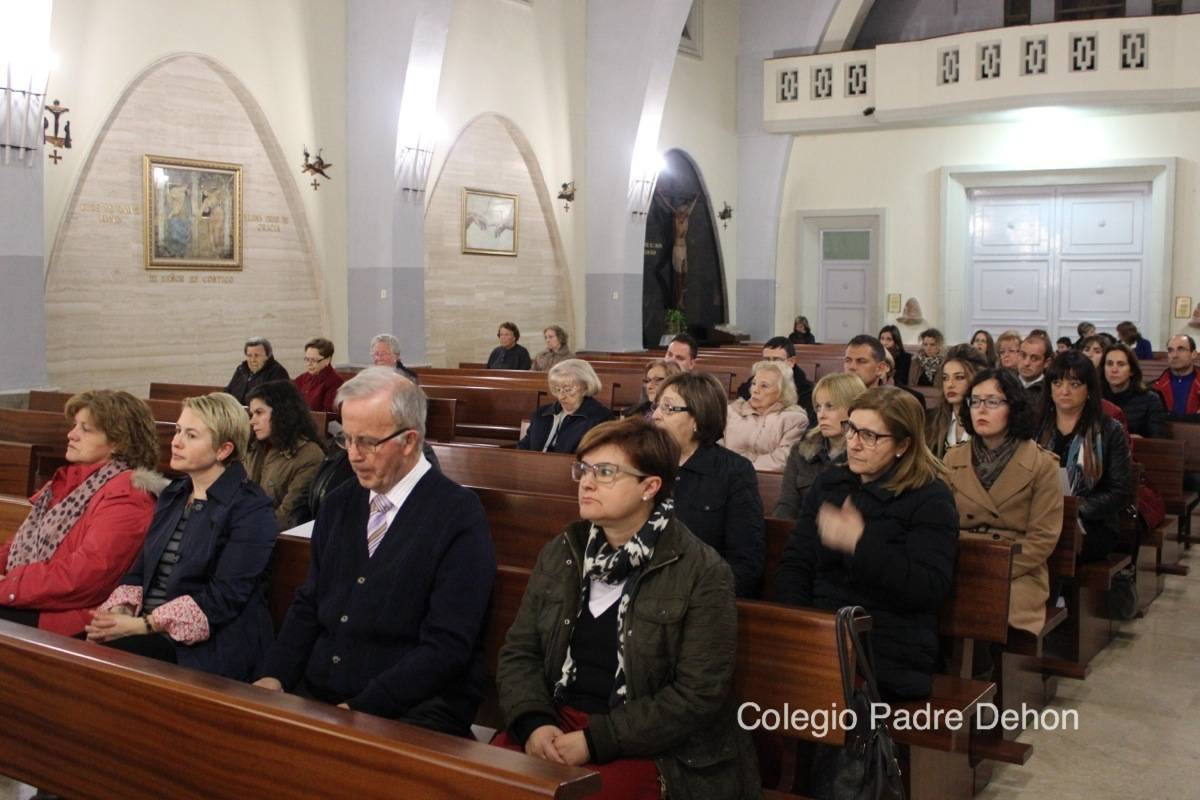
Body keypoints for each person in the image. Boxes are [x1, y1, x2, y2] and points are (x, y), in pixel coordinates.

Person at [495, 419, 759, 799]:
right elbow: (520, 651)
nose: (586, 482)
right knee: (475, 782)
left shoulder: (700, 570)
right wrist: (534, 722)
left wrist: (595, 741)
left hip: (652, 746)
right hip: (555, 722)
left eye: (605, 473)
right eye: (583, 469)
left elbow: (698, 694)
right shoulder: (564, 551)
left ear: (649, 487)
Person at [254, 369, 495, 734]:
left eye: (367, 442)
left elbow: (446, 646)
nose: (353, 455)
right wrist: (274, 675)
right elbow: (309, 604)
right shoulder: (339, 504)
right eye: (346, 439)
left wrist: (360, 708)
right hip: (326, 692)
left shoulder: (458, 514)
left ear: (410, 441)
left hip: (413, 706)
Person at [775, 387, 958, 699]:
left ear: (903, 445)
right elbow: (796, 561)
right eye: (852, 429)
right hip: (823, 632)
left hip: (888, 644)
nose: (854, 444)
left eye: (871, 436)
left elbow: (928, 588)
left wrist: (859, 544)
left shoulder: (930, 498)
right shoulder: (831, 483)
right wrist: (800, 627)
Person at [87, 393, 278, 680]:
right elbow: (140, 569)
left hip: (208, 644)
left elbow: (224, 598)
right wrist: (121, 612)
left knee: (96, 667)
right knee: (74, 651)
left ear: (223, 449)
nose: (176, 441)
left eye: (191, 435)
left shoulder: (251, 508)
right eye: (178, 431)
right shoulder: (175, 494)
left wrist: (142, 626)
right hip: (149, 628)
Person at [0, 391, 165, 636]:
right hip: (35, 598)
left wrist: (8, 587)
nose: (71, 434)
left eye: (85, 429)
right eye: (74, 425)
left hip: (69, 618)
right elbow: (18, 545)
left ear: (118, 442)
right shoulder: (68, 482)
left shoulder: (129, 495)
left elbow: (89, 575)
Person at [944, 369, 1063, 636]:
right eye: (974, 401)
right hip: (960, 561)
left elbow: (1042, 539)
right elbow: (940, 523)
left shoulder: (1042, 464)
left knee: (988, 605)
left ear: (1014, 407)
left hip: (1017, 570)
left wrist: (994, 567)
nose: (980, 410)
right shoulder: (953, 459)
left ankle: (982, 670)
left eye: (992, 402)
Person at [652, 372, 764, 597]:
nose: (655, 416)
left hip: (698, 596)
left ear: (697, 419)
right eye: (656, 406)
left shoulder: (733, 472)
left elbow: (745, 562)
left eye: (668, 408)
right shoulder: (644, 462)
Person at [1037, 352, 1133, 563]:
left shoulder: (1109, 430)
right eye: (1057, 382)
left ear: (1089, 389)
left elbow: (1119, 491)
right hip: (1038, 516)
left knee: (1055, 541)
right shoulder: (1036, 427)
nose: (1064, 391)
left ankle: (1055, 595)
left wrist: (1074, 508)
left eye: (1074, 384)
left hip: (1092, 523)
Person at [774, 373, 868, 520]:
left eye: (830, 406)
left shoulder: (867, 454)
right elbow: (787, 505)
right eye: (818, 407)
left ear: (853, 409)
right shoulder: (801, 451)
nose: (821, 415)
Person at [246, 381, 327, 529]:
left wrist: (244, 531)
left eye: (259, 412)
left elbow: (287, 517)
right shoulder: (254, 448)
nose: (252, 421)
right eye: (252, 414)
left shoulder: (309, 455)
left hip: (276, 540)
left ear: (281, 412)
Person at [723, 360, 809, 471]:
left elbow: (782, 460)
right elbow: (716, 447)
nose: (755, 390)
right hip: (726, 476)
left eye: (764, 386)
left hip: (765, 482)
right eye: (754, 383)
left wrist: (742, 470)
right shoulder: (731, 412)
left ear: (782, 391)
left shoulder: (794, 420)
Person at [519, 359, 615, 453]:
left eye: (568, 390)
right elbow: (523, 448)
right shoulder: (541, 414)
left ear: (586, 387)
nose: (561, 397)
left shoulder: (601, 418)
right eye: (557, 389)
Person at [925, 344, 988, 459]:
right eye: (945, 378)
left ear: (975, 378)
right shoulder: (932, 420)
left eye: (959, 377)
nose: (950, 385)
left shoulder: (985, 421)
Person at [734, 336, 815, 421]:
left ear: (791, 362)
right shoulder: (755, 380)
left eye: (777, 360)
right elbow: (742, 397)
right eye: (767, 360)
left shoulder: (806, 391)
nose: (771, 365)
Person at [1102, 343, 1167, 438]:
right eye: (1109, 364)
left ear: (1131, 370)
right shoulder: (1095, 397)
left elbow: (1158, 441)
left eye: (1121, 364)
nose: (1114, 369)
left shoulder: (1150, 399)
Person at [842, 335, 927, 407]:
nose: (852, 367)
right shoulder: (834, 396)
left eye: (861, 361)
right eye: (848, 360)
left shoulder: (907, 401)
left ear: (880, 368)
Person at [225, 336, 290, 405]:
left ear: (267, 356)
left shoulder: (277, 372)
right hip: (236, 413)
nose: (253, 360)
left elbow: (275, 403)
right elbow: (228, 392)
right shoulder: (241, 369)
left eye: (257, 355)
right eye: (249, 355)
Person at [1152, 334, 1200, 420]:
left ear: (1193, 354)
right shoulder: (1154, 388)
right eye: (1170, 350)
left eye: (1181, 349)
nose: (1174, 355)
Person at [295, 337, 345, 414]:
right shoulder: (304, 377)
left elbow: (326, 416)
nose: (309, 364)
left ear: (327, 360)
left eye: (314, 360)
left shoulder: (335, 382)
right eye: (307, 359)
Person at [1018, 334, 1052, 418]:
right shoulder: (1004, 384)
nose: (1026, 363)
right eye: (1023, 355)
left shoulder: (1051, 391)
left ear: (1046, 363)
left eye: (1034, 358)